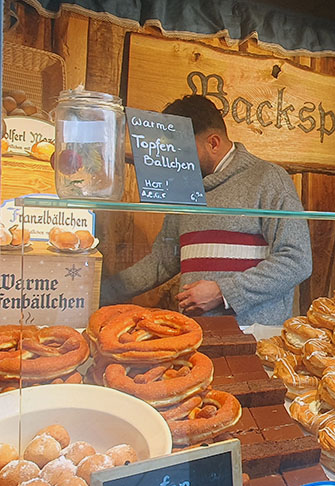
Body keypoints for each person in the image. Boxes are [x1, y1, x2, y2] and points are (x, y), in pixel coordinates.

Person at [101, 95, 312, 326]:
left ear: (213, 143)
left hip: (254, 339)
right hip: (193, 335)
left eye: (181, 151)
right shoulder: (185, 186)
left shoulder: (268, 178)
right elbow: (162, 261)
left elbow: (296, 260)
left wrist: (223, 292)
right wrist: (102, 291)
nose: (174, 160)